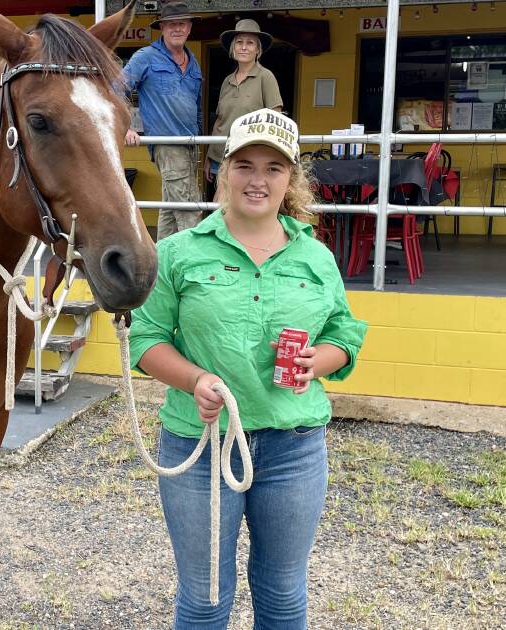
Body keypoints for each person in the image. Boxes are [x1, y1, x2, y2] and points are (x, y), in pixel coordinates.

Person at [128, 109, 367, 629]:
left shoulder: (316, 257)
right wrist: (195, 379)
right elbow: (145, 340)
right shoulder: (176, 253)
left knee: (282, 595)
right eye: (245, 165)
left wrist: (317, 361)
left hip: (294, 447)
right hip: (200, 445)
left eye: (274, 168)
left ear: (291, 180)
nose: (258, 180)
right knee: (206, 596)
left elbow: (344, 333)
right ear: (223, 171)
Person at [122, 1, 204, 240]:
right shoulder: (145, 57)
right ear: (162, 28)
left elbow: (197, 106)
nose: (177, 29)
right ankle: (193, 264)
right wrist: (126, 126)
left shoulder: (193, 61)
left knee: (170, 208)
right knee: (189, 208)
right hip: (167, 144)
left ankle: (162, 259)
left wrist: (198, 136)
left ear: (189, 28)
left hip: (190, 144)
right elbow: (117, 89)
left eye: (181, 24)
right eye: (171, 25)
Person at [206, 19, 283, 186]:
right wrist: (209, 157)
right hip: (219, 156)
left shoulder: (266, 76)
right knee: (220, 206)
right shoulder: (227, 80)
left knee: (234, 205)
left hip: (248, 157)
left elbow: (276, 119)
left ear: (257, 49)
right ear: (233, 48)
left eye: (250, 43)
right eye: (239, 42)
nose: (243, 47)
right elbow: (220, 119)